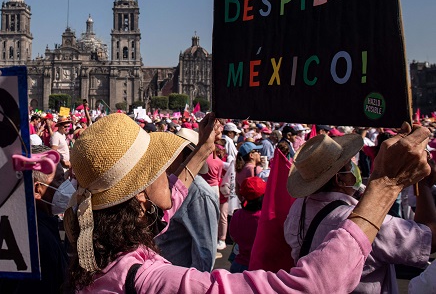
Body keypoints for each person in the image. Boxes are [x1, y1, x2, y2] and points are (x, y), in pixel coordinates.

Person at [65, 112, 432, 294]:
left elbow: (167, 204)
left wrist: (200, 154)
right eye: (159, 167)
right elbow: (309, 287)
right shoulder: (152, 281)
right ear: (141, 196)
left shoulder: (103, 254)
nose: (169, 170)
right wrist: (384, 186)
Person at [284, 129, 436, 294]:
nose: (355, 169)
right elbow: (428, 240)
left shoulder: (296, 209)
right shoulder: (364, 222)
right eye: (350, 165)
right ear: (339, 178)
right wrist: (424, 186)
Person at [0, 145, 69, 294]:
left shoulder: (3, 224)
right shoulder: (38, 242)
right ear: (37, 189)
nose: (65, 185)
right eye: (59, 180)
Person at [155, 128, 219, 272]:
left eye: (174, 150)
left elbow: (204, 253)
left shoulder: (200, 194)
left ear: (185, 156)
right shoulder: (166, 181)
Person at [229, 176, 265, 273]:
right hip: (257, 268)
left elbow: (233, 237)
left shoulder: (237, 215)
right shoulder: (265, 219)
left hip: (238, 264)